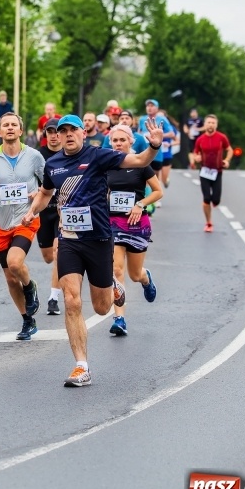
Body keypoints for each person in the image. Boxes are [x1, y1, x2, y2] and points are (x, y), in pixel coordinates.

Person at [21, 114, 163, 387]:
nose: (68, 135)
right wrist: (32, 211)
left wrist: (153, 147)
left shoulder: (99, 156)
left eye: (73, 130)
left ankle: (112, 286)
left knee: (101, 307)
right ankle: (81, 366)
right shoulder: (53, 164)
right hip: (70, 241)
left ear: (83, 133)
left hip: (98, 240)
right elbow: (46, 193)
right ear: (58, 137)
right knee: (72, 301)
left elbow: (139, 161)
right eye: (63, 132)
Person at [0, 112, 46, 340]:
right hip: (1, 222)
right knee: (10, 278)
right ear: (0, 132)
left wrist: (39, 193)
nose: (10, 128)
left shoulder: (34, 156)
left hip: (26, 218)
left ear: (21, 131)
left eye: (14, 125)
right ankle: (27, 320)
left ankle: (30, 285)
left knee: (15, 263)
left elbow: (49, 184)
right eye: (6, 125)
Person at [105, 124, 163, 336]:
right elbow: (105, 190)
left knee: (135, 274)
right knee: (117, 271)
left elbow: (158, 192)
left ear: (131, 141)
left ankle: (146, 278)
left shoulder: (141, 163)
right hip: (114, 224)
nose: (118, 143)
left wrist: (140, 204)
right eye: (115, 140)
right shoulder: (107, 165)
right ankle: (119, 318)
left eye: (122, 140)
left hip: (137, 225)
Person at [37, 118, 63, 315]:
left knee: (58, 253)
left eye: (57, 131)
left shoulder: (69, 154)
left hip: (62, 212)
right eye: (50, 131)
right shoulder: (37, 156)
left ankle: (53, 298)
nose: (54, 136)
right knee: (47, 257)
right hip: (43, 211)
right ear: (45, 133)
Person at [193, 114, 232, 233]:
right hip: (204, 171)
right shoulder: (200, 139)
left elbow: (229, 149)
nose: (211, 125)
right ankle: (209, 222)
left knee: (216, 200)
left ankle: (214, 202)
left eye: (213, 123)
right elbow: (195, 153)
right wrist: (197, 158)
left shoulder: (221, 137)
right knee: (206, 199)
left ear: (216, 125)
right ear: (205, 124)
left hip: (217, 171)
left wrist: (226, 160)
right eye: (209, 122)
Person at [138, 99, 175, 191]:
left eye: (152, 106)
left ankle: (156, 196)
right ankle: (148, 198)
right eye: (148, 106)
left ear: (157, 108)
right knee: (144, 176)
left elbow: (172, 134)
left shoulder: (162, 119)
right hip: (144, 151)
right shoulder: (142, 119)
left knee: (154, 176)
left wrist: (159, 135)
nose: (149, 108)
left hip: (157, 153)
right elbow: (139, 132)